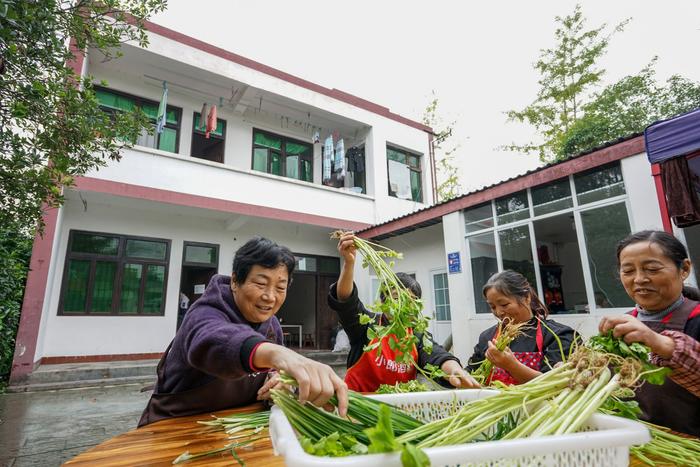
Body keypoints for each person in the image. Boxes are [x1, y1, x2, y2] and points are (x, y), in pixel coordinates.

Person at [139, 237, 348, 426]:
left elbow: (272, 375)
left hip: (237, 429)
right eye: (260, 283)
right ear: (234, 281)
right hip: (174, 428)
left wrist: (278, 383)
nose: (270, 296)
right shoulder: (203, 313)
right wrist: (278, 354)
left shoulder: (272, 325)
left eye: (280, 288)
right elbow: (212, 339)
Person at [329, 232, 478, 392]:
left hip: (399, 407)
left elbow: (436, 355)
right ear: (383, 301)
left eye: (411, 301)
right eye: (396, 298)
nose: (402, 306)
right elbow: (346, 301)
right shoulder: (367, 325)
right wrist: (349, 263)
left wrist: (454, 370)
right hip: (359, 404)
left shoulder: (417, 336)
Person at [598, 230, 700, 436]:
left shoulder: (696, 318)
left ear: (684, 269)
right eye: (628, 271)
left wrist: (660, 343)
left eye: (652, 269)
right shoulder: (621, 325)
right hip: (638, 444)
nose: (639, 279)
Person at [467, 270, 578, 385]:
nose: (499, 312)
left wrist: (511, 365)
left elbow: (554, 383)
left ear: (526, 297)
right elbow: (472, 373)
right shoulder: (488, 337)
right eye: (493, 307)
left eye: (504, 304)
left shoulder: (558, 335)